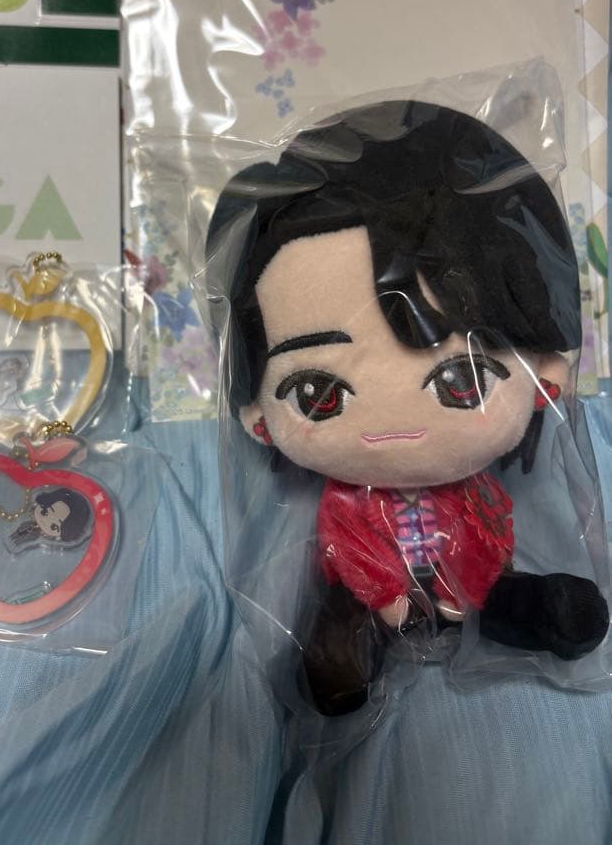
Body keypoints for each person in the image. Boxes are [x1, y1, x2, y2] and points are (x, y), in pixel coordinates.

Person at [206, 99, 609, 715]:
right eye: (319, 392)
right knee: (341, 623)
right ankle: (348, 652)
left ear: (543, 381)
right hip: (376, 591)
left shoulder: (471, 490)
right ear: (258, 416)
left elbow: (490, 529)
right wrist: (386, 596)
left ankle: (531, 612)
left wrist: (464, 588)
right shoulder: (347, 502)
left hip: (467, 582)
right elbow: (345, 547)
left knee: (504, 592)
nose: (394, 424)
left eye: (462, 380)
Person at [9, 487, 93, 549]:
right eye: (44, 512)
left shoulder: (37, 535)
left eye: (54, 527)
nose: (45, 521)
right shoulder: (28, 524)